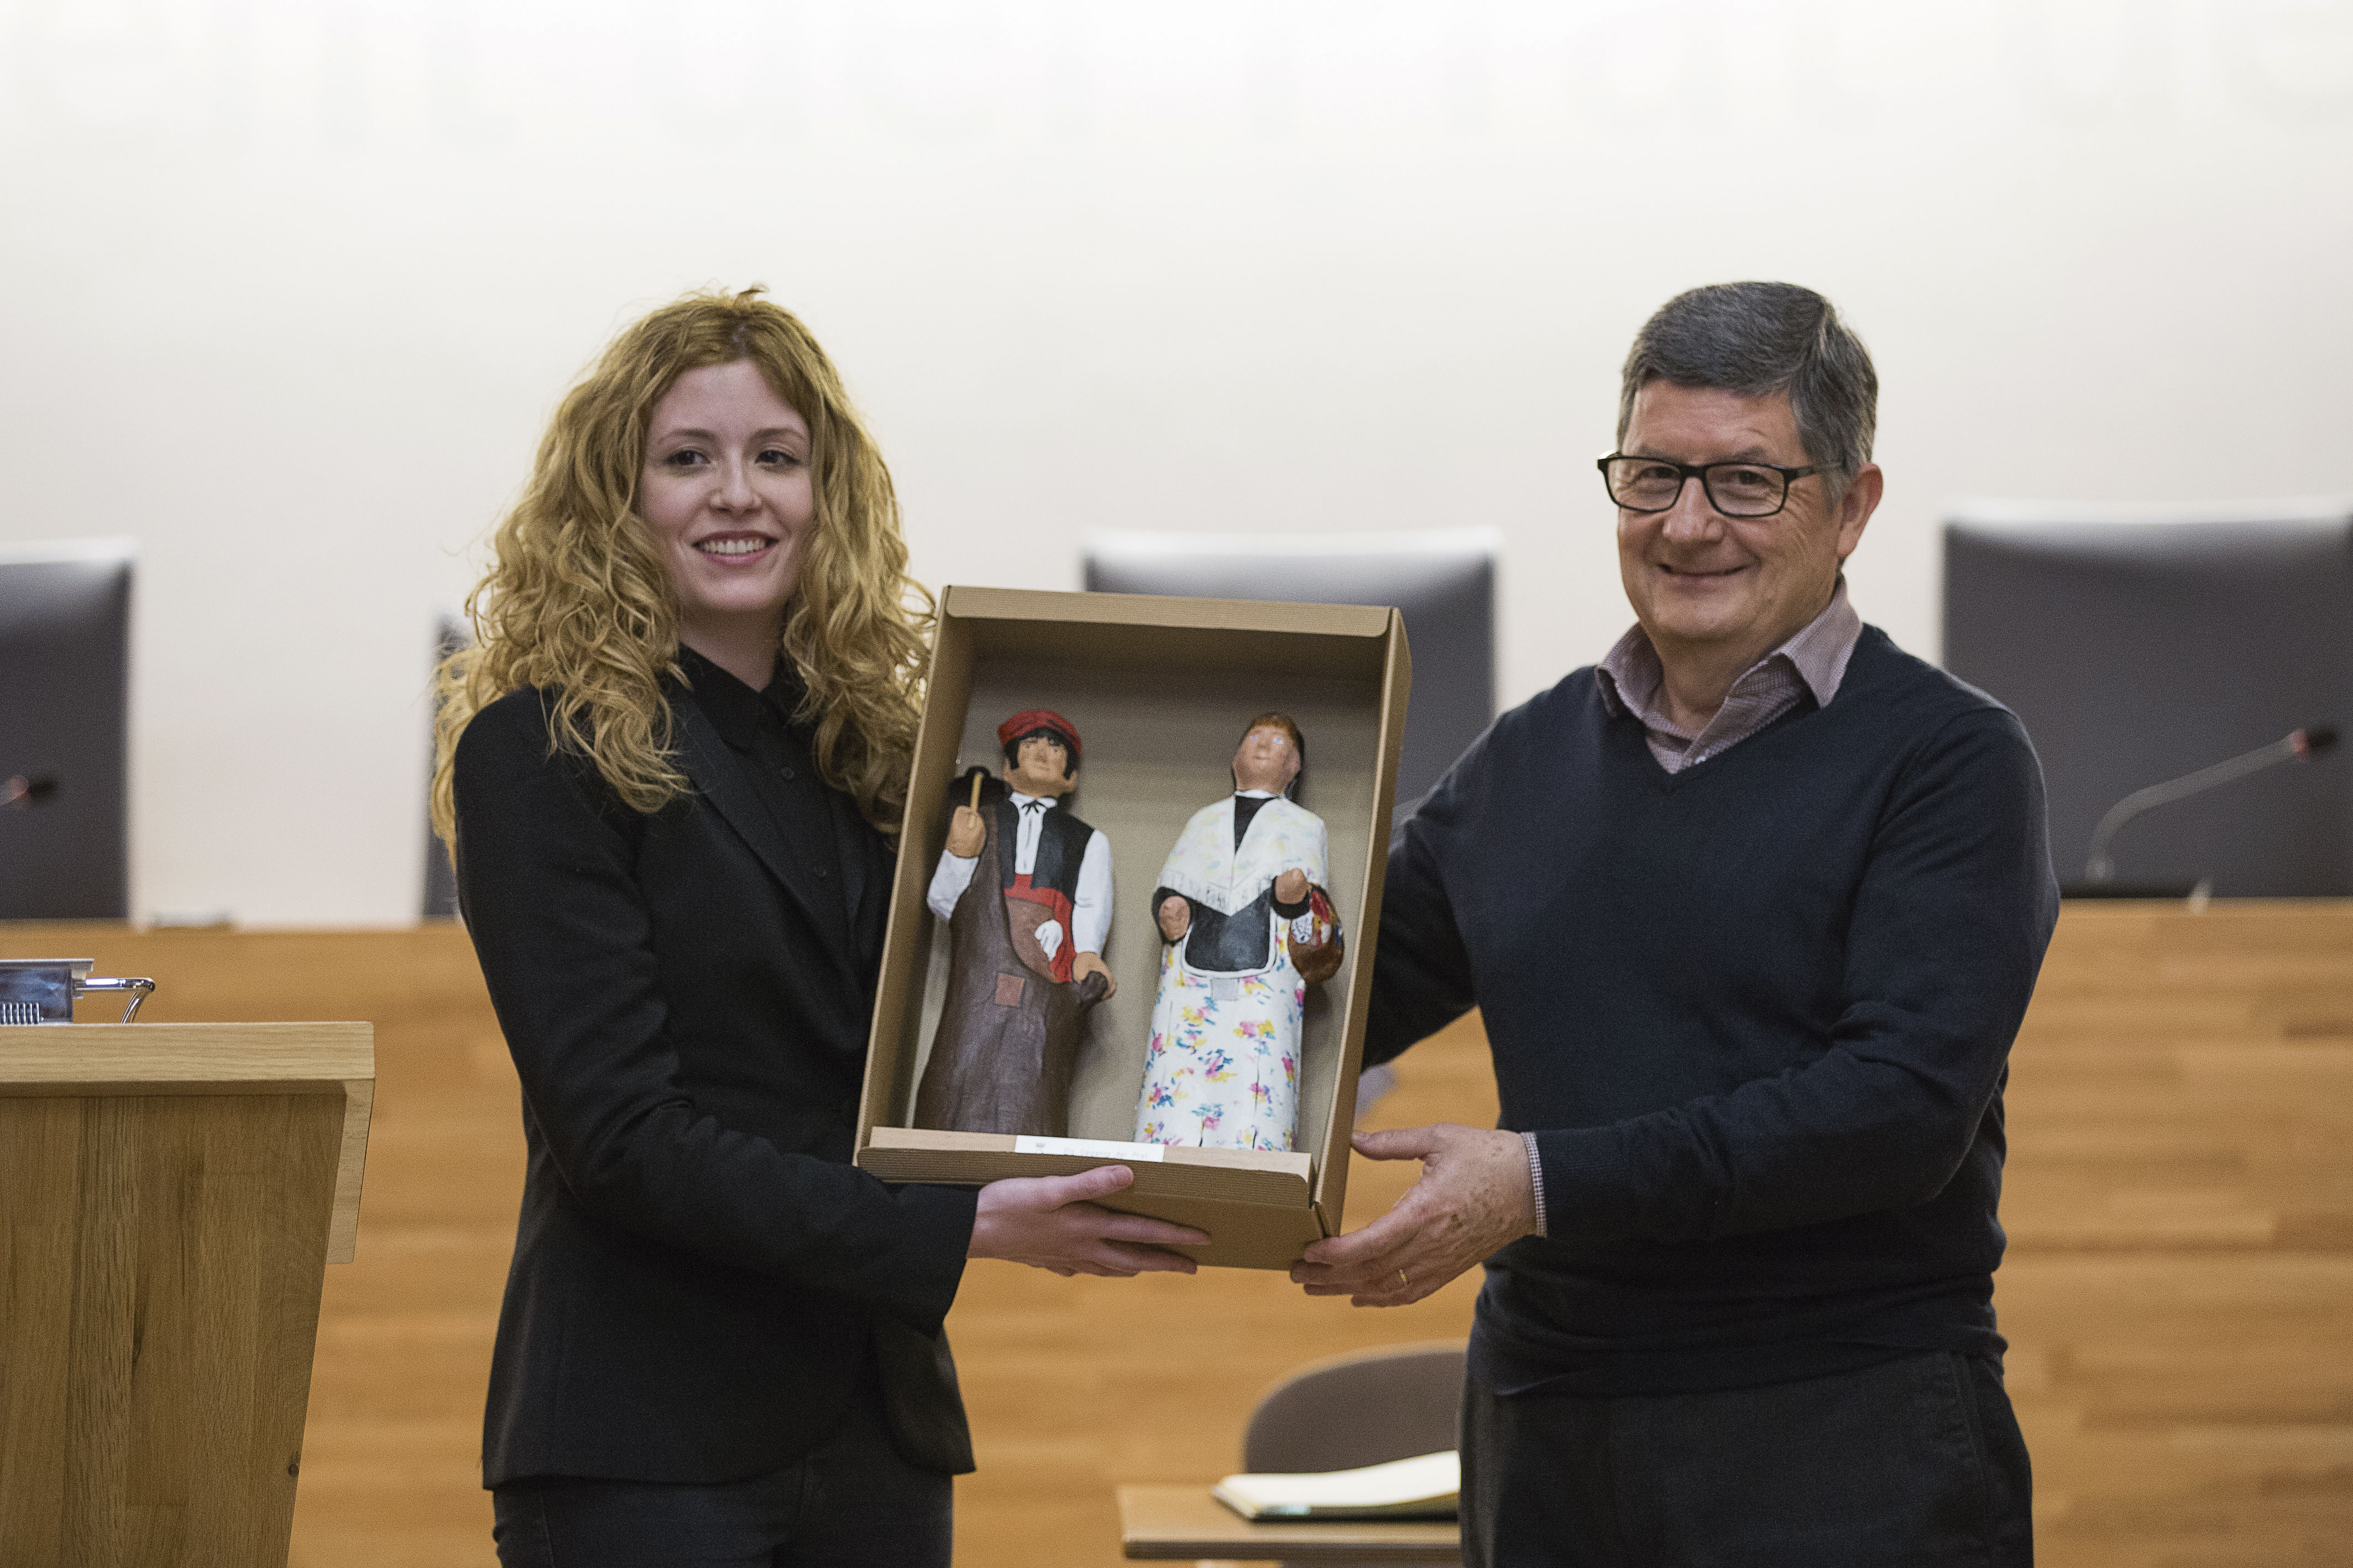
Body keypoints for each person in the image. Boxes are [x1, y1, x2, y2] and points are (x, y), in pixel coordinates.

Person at [432, 287, 1205, 1567]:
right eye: (689, 458)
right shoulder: (543, 751)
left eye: (776, 457)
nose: (738, 494)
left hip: (876, 1428)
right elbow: (620, 1139)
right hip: (647, 1442)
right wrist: (964, 1227)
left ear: (825, 492)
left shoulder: (890, 760)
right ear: (616, 496)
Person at [1291, 282, 2056, 1566]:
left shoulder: (1949, 760)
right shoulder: (1524, 761)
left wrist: (1537, 1182)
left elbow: (1897, 1111)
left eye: (1746, 481)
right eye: (1652, 476)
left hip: (1840, 1440)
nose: (1689, 524)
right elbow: (1326, 1000)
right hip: (1550, 1447)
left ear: (1852, 505)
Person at [1134, 712, 1343, 1151]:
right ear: (1235, 758)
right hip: (1191, 984)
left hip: (1263, 984)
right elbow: (1173, 885)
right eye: (1255, 736)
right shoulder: (1203, 821)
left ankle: (1252, 1153)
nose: (1263, 744)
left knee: (1255, 1084)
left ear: (1295, 765)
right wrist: (1169, 909)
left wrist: (1296, 901)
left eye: (1278, 741)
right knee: (1178, 1080)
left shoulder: (1306, 826)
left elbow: (1314, 916)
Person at [916, 710, 1115, 1135]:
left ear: (1071, 777)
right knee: (959, 1067)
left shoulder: (1089, 841)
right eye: (1029, 744)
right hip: (979, 973)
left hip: (1047, 973)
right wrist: (959, 854)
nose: (1042, 752)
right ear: (1008, 767)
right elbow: (942, 903)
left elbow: (1090, 905)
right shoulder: (978, 820)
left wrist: (1087, 953)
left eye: (1055, 747)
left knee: (1033, 1079)